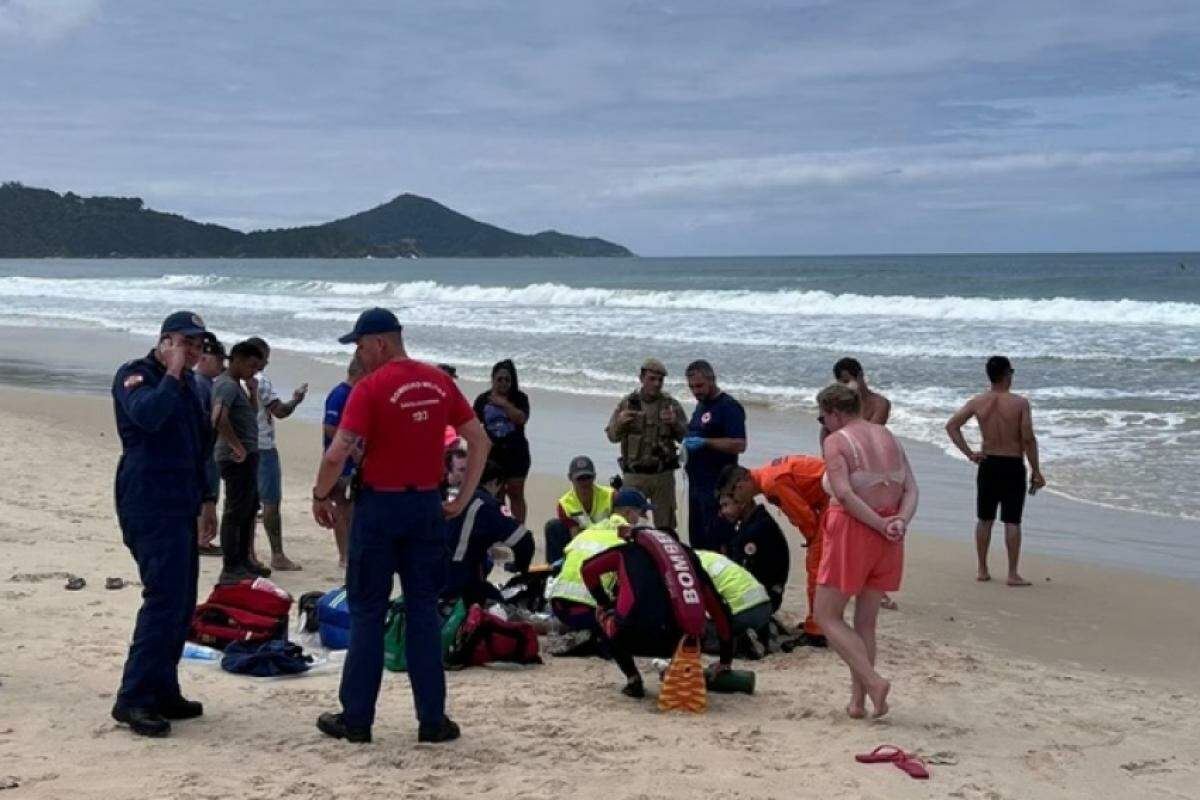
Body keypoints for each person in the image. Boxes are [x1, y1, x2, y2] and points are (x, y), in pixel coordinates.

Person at [311, 307, 490, 745]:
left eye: (360, 345)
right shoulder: (438, 381)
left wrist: (320, 495)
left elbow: (338, 453)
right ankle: (432, 720)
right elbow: (479, 439)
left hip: (379, 508)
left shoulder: (370, 388)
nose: (359, 354)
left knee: (369, 611)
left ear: (380, 343)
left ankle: (357, 718)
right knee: (423, 611)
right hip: (425, 506)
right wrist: (462, 499)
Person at [110, 311, 213, 737]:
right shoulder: (138, 375)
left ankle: (163, 688)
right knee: (162, 599)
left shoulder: (191, 386)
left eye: (197, 345)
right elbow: (147, 417)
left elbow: (201, 446)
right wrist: (171, 374)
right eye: (185, 343)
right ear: (165, 341)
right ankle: (133, 697)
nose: (192, 352)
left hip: (182, 501)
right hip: (148, 500)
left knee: (181, 601)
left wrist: (209, 500)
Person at [813, 384, 918, 720]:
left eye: (822, 416)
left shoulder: (837, 440)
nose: (823, 423)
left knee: (826, 615)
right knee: (866, 623)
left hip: (855, 531)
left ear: (835, 413)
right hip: (890, 535)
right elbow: (912, 488)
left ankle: (873, 682)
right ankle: (859, 703)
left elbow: (844, 494)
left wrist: (876, 523)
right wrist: (899, 520)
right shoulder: (888, 436)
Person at [581, 527, 734, 698]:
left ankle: (633, 680)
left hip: (631, 636)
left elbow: (587, 569)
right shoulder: (687, 559)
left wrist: (604, 602)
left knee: (604, 614)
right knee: (697, 626)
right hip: (680, 642)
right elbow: (718, 609)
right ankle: (679, 669)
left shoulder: (627, 552)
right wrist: (725, 661)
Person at [945, 355, 1045, 587]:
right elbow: (1028, 438)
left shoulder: (978, 401)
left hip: (988, 464)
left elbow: (952, 426)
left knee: (984, 519)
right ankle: (1012, 573)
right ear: (1007, 374)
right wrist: (1036, 470)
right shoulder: (1019, 403)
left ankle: (982, 568)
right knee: (1012, 521)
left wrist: (970, 454)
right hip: (1011, 465)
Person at [718, 456, 828, 646]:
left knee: (816, 568)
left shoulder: (772, 483)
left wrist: (812, 541)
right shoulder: (768, 476)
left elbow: (804, 517)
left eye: (734, 497)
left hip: (832, 497)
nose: (737, 501)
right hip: (830, 491)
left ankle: (816, 630)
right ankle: (819, 621)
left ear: (741, 485)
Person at [546, 490, 652, 632]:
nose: (645, 518)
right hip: (588, 609)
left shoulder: (589, 531)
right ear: (628, 513)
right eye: (642, 513)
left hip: (558, 607)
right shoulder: (629, 538)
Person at [245, 337, 307, 572]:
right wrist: (296, 400)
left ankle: (247, 553)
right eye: (265, 357)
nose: (267, 362)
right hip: (263, 446)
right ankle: (277, 554)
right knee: (270, 502)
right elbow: (279, 411)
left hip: (241, 446)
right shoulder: (261, 381)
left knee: (246, 503)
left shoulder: (231, 379)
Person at [605, 358, 687, 531]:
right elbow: (612, 436)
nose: (656, 384)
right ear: (641, 378)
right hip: (634, 474)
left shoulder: (670, 405)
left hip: (662, 475)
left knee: (666, 527)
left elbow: (686, 438)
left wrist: (675, 423)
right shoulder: (628, 403)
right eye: (652, 379)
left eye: (660, 380)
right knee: (628, 525)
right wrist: (620, 423)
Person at [442, 460, 535, 606]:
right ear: (494, 483)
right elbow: (524, 540)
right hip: (459, 581)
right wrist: (521, 569)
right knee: (503, 607)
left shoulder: (449, 495)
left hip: (426, 575)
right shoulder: (488, 505)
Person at [212, 341, 266, 583]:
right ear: (238, 360)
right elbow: (218, 417)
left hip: (247, 454)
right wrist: (237, 446)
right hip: (235, 457)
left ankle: (243, 560)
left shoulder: (238, 386)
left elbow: (249, 415)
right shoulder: (226, 385)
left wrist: (253, 392)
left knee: (248, 509)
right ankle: (232, 565)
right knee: (236, 511)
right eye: (252, 366)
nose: (254, 371)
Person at [682, 360, 746, 551]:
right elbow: (693, 432)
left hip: (717, 486)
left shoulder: (728, 406)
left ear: (712, 379)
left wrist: (706, 442)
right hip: (696, 485)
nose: (696, 391)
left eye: (700, 386)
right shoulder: (701, 406)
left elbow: (739, 444)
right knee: (697, 539)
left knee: (717, 541)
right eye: (692, 387)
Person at [473, 359, 531, 523]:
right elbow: (473, 424)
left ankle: (518, 529)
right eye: (500, 379)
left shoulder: (520, 398)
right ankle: (501, 528)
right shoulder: (482, 400)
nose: (504, 383)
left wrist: (503, 404)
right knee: (496, 495)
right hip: (492, 455)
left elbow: (521, 418)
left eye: (507, 380)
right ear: (492, 379)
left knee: (516, 493)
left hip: (516, 453)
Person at [716, 489, 789, 614]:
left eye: (726, 505)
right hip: (764, 595)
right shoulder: (753, 523)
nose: (723, 512)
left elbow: (743, 573)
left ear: (742, 502)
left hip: (759, 601)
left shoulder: (756, 530)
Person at [323, 356, 365, 568]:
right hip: (341, 464)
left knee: (353, 510)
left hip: (356, 465)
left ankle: (352, 551)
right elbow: (330, 427)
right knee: (342, 509)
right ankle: (344, 555)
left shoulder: (358, 394)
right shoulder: (340, 395)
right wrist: (353, 449)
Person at [544, 455, 615, 564]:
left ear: (594, 476)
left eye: (588, 477)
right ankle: (555, 569)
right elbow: (576, 539)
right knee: (553, 526)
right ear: (570, 477)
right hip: (582, 540)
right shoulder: (565, 504)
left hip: (608, 541)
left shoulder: (611, 496)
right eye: (580, 478)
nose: (584, 482)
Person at [695, 549, 773, 648]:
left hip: (742, 613)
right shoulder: (707, 556)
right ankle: (763, 633)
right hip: (765, 606)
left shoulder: (689, 566)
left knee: (702, 636)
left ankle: (742, 643)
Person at [194, 333, 226, 556]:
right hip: (204, 451)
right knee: (206, 494)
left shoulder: (204, 384)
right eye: (219, 360)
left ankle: (201, 538)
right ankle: (201, 539)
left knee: (207, 493)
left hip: (206, 449)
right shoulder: (201, 385)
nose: (222, 366)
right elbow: (207, 421)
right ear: (205, 359)